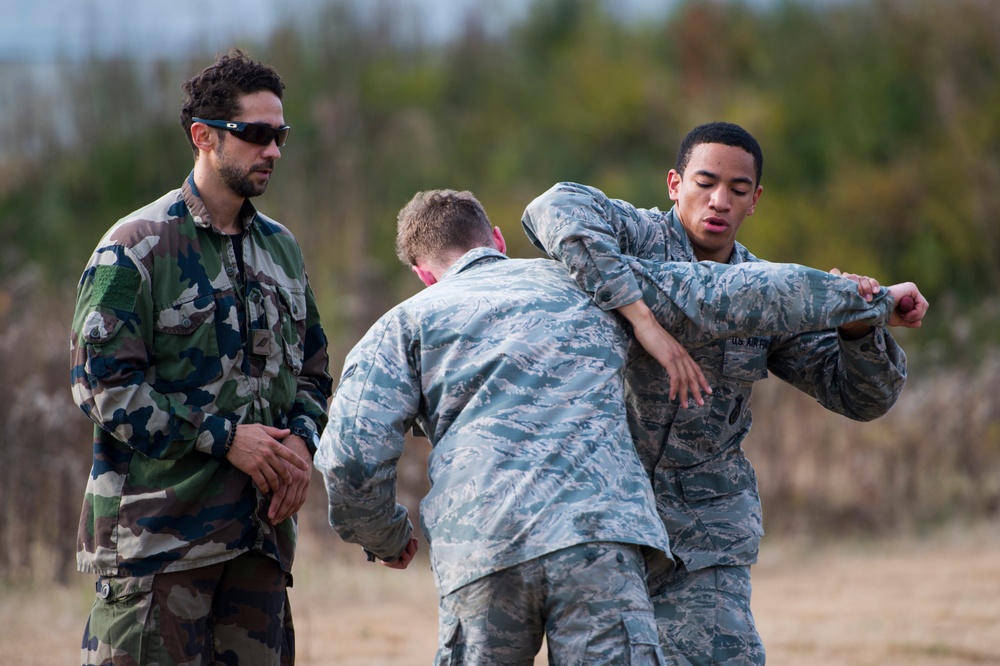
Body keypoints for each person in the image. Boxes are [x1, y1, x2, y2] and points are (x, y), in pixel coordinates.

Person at [316, 188, 923, 665]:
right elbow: (728, 293)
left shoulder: (399, 327)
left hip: (483, 551)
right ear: (498, 239)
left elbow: (349, 459)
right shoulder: (586, 284)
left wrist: (387, 538)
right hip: (601, 542)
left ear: (423, 274)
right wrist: (866, 300)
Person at [521, 121, 927, 665]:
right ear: (674, 183)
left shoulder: (767, 294)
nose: (719, 201)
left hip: (704, 535)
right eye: (705, 183)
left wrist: (855, 322)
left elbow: (862, 398)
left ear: (755, 200)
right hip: (604, 521)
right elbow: (552, 206)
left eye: (737, 190)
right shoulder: (631, 238)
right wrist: (641, 316)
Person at [70, 48, 333, 665]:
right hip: (160, 547)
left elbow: (315, 369)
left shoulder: (282, 249)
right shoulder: (136, 246)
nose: (272, 150)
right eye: (257, 134)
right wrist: (223, 437)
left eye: (281, 136)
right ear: (204, 137)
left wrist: (299, 441)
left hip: (258, 548)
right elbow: (101, 386)